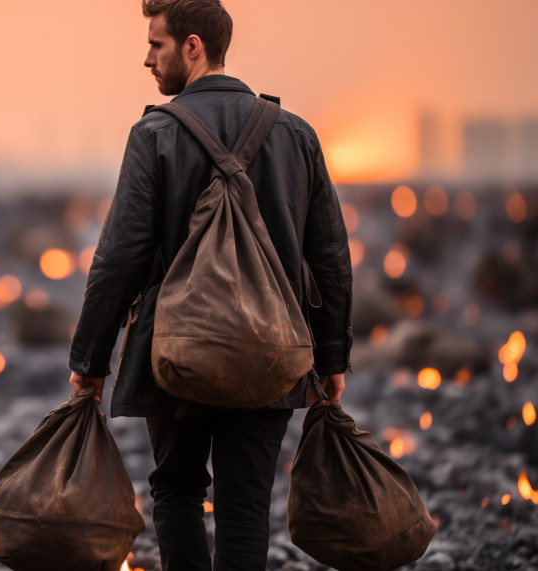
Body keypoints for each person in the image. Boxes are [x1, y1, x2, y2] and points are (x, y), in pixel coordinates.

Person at [66, 0, 352, 569]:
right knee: (246, 506)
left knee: (177, 492)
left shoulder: (153, 134)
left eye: (157, 44)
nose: (148, 58)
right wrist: (332, 357)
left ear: (193, 46)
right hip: (272, 350)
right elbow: (329, 257)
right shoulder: (296, 134)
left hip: (176, 354)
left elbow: (120, 257)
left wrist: (90, 361)